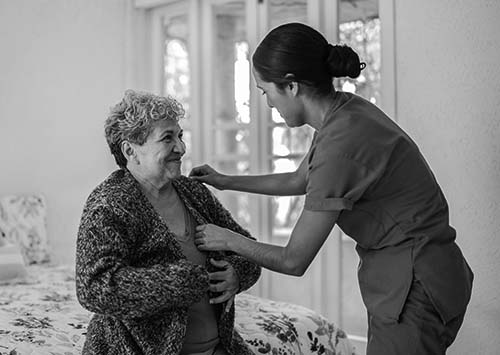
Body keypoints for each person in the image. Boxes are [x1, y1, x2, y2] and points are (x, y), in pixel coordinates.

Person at [190, 22, 473, 354]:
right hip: (431, 271)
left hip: (415, 285)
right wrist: (224, 181)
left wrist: (228, 239)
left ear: (291, 86)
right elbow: (299, 180)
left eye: (265, 91)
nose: (267, 104)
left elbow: (294, 260)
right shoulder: (343, 113)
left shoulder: (341, 144)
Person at [76, 90, 261, 355]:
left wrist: (236, 275)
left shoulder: (193, 192)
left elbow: (248, 250)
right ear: (131, 150)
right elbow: (94, 287)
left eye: (180, 136)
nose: (182, 148)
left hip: (221, 346)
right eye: (167, 138)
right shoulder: (109, 204)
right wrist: (181, 281)